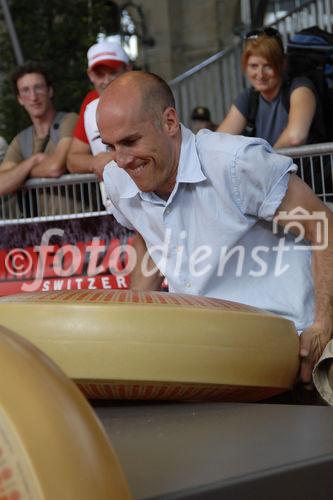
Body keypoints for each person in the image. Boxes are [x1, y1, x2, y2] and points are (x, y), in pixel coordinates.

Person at [96, 71, 333, 388]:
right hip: (203, 354)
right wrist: (135, 318)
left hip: (288, 347)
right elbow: (147, 234)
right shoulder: (116, 179)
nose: (121, 160)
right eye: (110, 146)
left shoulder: (235, 163)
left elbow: (323, 226)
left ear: (169, 122)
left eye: (130, 141)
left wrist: (323, 325)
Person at [217, 28, 319, 148]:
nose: (260, 74)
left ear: (283, 64)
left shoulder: (300, 88)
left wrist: (265, 162)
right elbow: (218, 142)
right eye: (253, 66)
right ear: (245, 66)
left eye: (268, 66)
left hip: (306, 167)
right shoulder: (249, 97)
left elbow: (295, 137)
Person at [0, 62, 77, 197]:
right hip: (40, 218)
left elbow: (55, 168)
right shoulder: (21, 140)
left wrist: (19, 174)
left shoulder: (69, 120)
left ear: (50, 91)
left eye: (38, 88)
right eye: (25, 90)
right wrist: (34, 160)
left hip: (81, 215)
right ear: (19, 99)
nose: (33, 97)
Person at [67, 40, 130, 179]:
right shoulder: (91, 102)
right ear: (90, 76)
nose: (107, 80)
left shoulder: (146, 94)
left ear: (128, 69)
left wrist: (113, 157)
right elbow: (72, 160)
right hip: (112, 199)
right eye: (100, 74)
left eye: (113, 72)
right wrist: (94, 162)